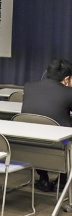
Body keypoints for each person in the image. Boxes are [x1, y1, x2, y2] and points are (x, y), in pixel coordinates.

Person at [22, 59, 72, 192]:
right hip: (58, 148)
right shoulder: (69, 92)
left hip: (29, 145)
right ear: (67, 79)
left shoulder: (29, 87)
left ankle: (43, 178)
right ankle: (63, 179)